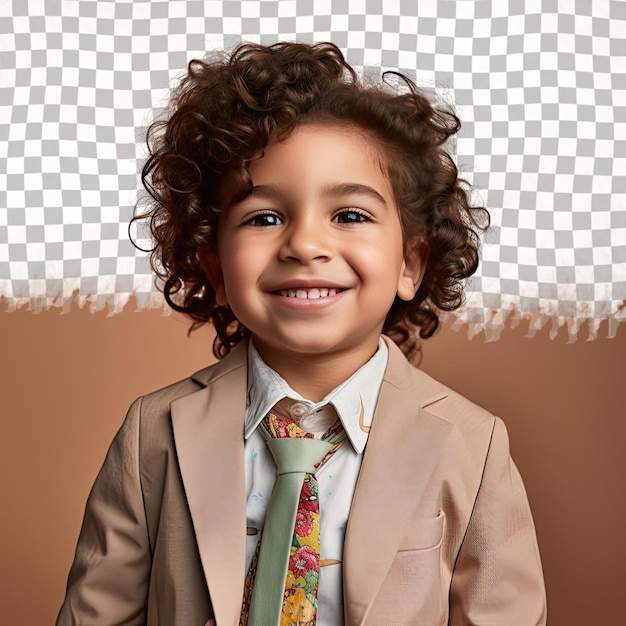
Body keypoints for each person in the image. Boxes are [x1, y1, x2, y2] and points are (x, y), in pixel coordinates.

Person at [57, 41, 546, 625]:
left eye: (350, 215)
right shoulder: (153, 433)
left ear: (410, 264)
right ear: (214, 268)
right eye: (264, 217)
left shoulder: (473, 444)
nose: (306, 245)